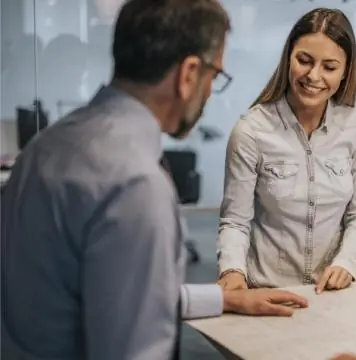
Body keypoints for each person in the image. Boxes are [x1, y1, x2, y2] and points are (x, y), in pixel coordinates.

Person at [0, 1, 307, 359]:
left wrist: (224, 298)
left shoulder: (46, 146)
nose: (209, 93)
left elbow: (104, 290)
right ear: (189, 74)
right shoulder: (135, 184)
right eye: (215, 77)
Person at [217, 8, 356, 293]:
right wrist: (233, 270)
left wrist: (347, 264)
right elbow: (235, 221)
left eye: (329, 67)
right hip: (266, 291)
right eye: (304, 60)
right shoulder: (251, 131)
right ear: (288, 58)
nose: (313, 76)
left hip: (331, 295)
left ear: (345, 72)